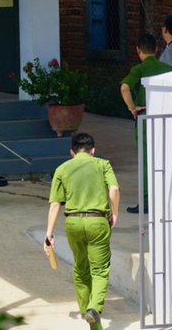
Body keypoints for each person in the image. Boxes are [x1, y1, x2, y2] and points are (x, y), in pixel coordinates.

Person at [44, 133, 120, 330]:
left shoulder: (62, 169)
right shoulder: (103, 164)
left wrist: (49, 235)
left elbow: (55, 204)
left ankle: (88, 312)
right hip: (98, 222)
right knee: (100, 269)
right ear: (93, 151)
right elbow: (114, 189)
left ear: (72, 152)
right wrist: (115, 212)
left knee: (80, 268)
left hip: (74, 223)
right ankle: (94, 309)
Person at [120, 34, 172, 214]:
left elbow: (124, 87)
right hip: (167, 119)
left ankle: (146, 201)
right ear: (157, 49)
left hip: (146, 119)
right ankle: (169, 197)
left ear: (138, 50)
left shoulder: (139, 69)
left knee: (147, 160)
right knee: (168, 157)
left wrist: (132, 108)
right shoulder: (168, 68)